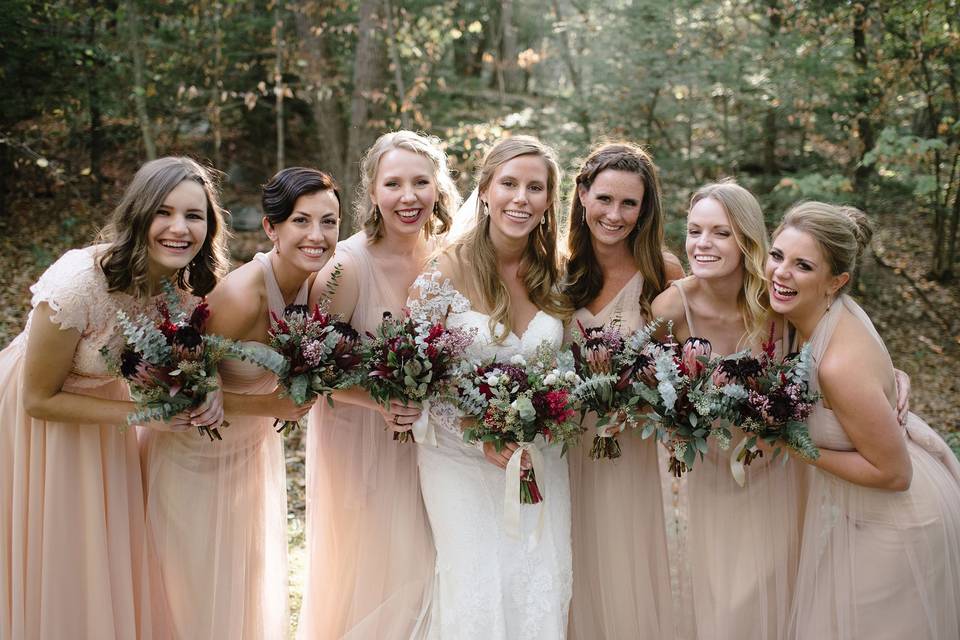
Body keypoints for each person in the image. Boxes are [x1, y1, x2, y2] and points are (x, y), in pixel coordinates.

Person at [0, 156, 229, 639]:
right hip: (35, 428)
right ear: (138, 214)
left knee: (100, 559)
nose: (178, 228)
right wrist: (145, 414)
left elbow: (183, 358)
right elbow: (37, 398)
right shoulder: (79, 283)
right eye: (163, 212)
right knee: (56, 556)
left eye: (194, 216)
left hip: (106, 429)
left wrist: (206, 388)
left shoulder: (183, 292)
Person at [141, 167, 340, 639]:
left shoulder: (314, 285)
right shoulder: (242, 295)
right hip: (193, 461)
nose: (317, 235)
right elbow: (180, 390)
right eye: (300, 221)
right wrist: (271, 406)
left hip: (248, 456)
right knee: (196, 594)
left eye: (328, 222)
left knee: (242, 586)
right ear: (271, 228)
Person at [766, 201, 960, 639]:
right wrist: (895, 376)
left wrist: (794, 444)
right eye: (777, 255)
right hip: (866, 520)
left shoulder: (838, 362)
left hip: (904, 523)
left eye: (802, 265)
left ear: (836, 281)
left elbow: (894, 474)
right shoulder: (813, 317)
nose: (780, 272)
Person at [408, 135, 572, 639]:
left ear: (548, 202)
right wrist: (480, 431)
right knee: (476, 584)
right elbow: (421, 378)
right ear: (484, 191)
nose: (521, 198)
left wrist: (547, 413)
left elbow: (566, 367)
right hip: (459, 460)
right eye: (509, 184)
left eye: (535, 188)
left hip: (537, 458)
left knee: (539, 579)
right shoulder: (443, 271)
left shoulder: (557, 274)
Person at [297, 131, 459, 640]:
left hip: (436, 444)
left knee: (427, 565)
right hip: (359, 442)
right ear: (373, 191)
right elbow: (315, 371)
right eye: (393, 183)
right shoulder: (344, 267)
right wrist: (382, 402)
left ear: (439, 188)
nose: (407, 197)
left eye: (420, 182)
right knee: (372, 568)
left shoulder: (450, 259)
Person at [651, 180, 804, 640]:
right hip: (711, 474)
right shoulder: (672, 308)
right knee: (722, 597)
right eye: (695, 230)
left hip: (780, 468)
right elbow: (650, 385)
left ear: (747, 241)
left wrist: (893, 375)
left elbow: (834, 352)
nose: (702, 244)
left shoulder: (778, 303)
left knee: (776, 588)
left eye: (720, 233)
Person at [562, 142, 683, 639]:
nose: (615, 214)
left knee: (629, 561)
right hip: (565, 443)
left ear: (644, 209)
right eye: (605, 199)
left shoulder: (665, 272)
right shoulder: (555, 269)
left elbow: (716, 340)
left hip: (632, 446)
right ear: (583, 195)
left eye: (629, 203)